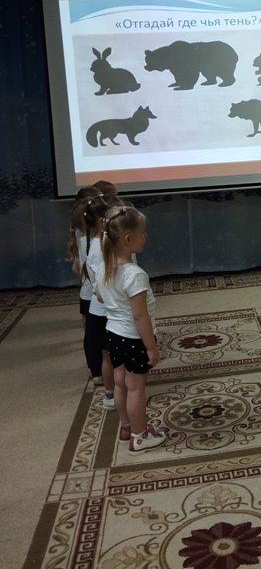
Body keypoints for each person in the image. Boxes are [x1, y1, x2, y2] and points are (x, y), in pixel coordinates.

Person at [97, 205, 167, 454]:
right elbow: (140, 315)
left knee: (120, 383)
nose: (145, 235)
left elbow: (100, 297)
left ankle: (126, 427)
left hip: (113, 334)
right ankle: (139, 436)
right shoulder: (135, 275)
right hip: (134, 339)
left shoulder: (104, 267)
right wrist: (151, 347)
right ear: (128, 239)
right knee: (136, 388)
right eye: (143, 232)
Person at [83, 194, 123, 408]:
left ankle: (115, 393)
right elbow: (101, 290)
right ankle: (112, 394)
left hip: (104, 310)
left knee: (110, 355)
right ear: (102, 222)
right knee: (110, 356)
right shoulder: (100, 250)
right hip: (105, 312)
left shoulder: (100, 244)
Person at [67, 185, 103, 382]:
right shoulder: (93, 242)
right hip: (95, 296)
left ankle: (95, 370)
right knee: (96, 335)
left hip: (88, 294)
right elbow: (79, 268)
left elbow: (76, 268)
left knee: (91, 333)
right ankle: (97, 369)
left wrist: (86, 281)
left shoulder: (82, 238)